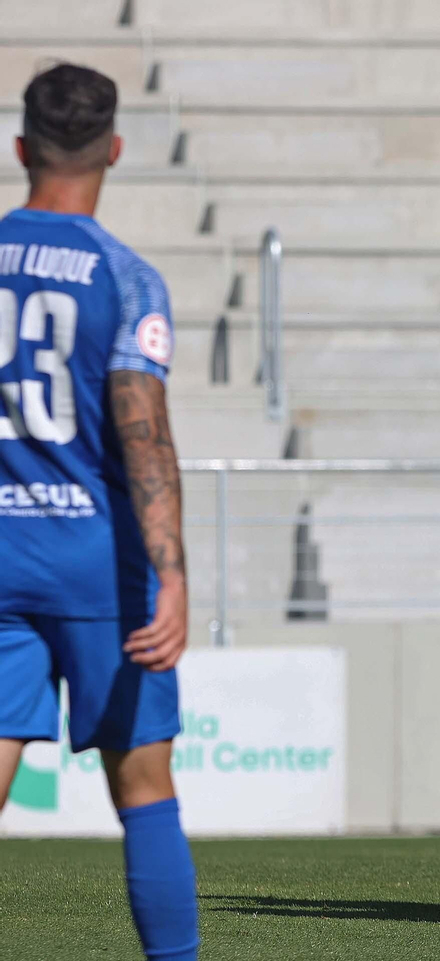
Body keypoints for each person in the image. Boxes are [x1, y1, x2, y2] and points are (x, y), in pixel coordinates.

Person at [0, 64, 198, 961]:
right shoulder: (125, 277)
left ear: (20, 148)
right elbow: (144, 433)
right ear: (114, 149)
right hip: (97, 558)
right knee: (145, 785)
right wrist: (173, 574)